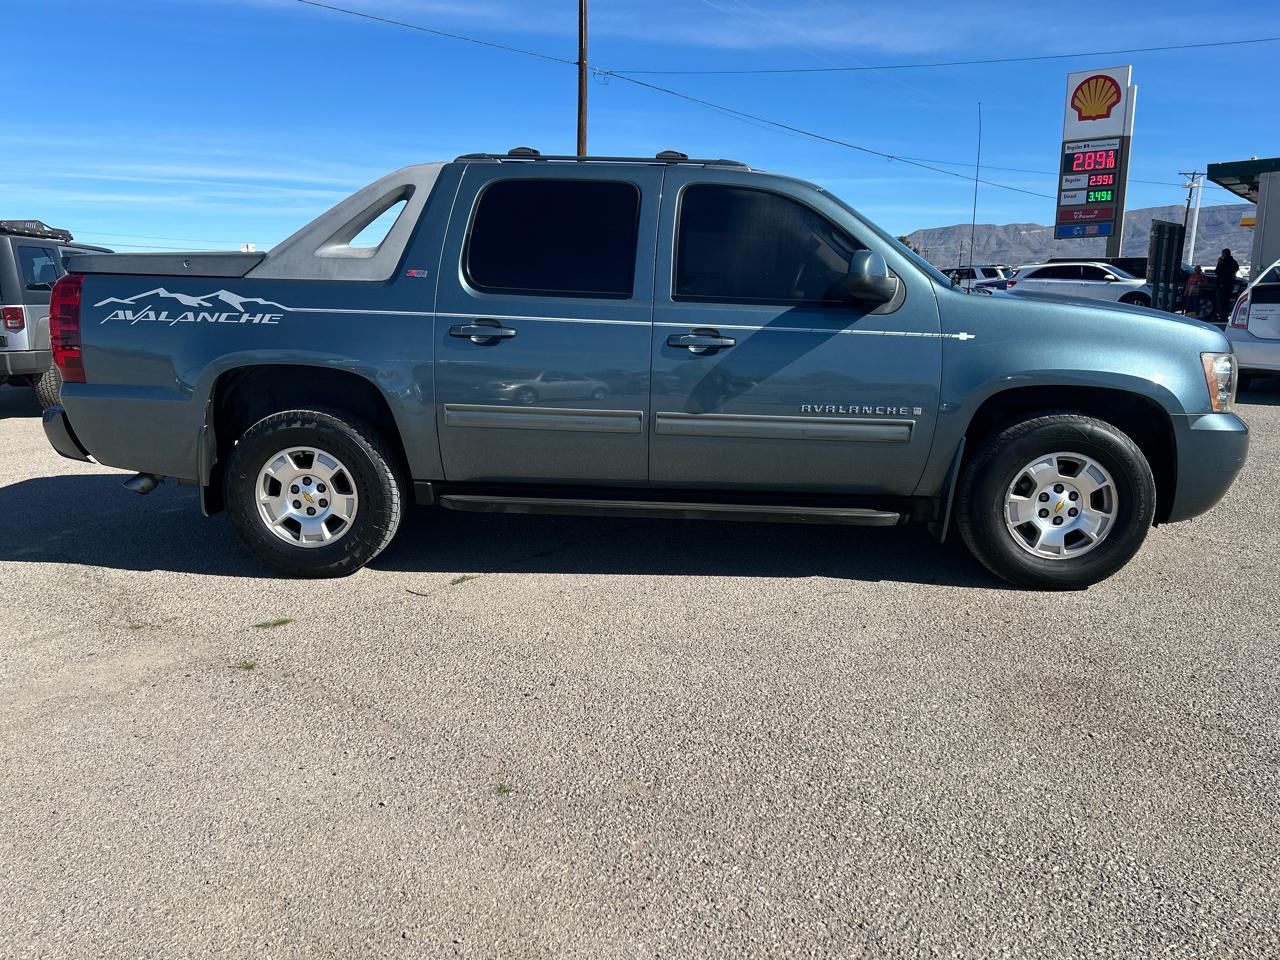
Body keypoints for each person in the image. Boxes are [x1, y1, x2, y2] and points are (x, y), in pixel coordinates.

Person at [1216, 248, 1240, 321]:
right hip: (1230, 284)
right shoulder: (1234, 262)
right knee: (1227, 300)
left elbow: (1217, 271)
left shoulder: (1222, 261)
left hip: (1222, 284)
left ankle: (1222, 316)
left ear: (1224, 254)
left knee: (1221, 301)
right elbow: (1236, 269)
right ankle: (1225, 316)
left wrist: (1219, 262)